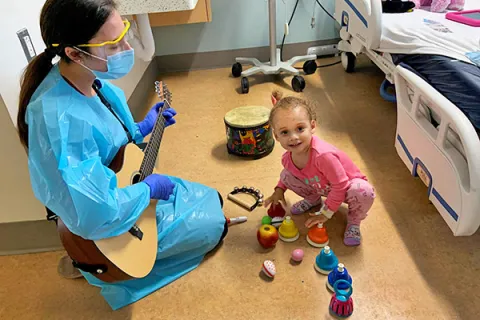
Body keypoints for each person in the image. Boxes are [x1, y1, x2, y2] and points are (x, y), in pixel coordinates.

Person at [17, 0, 227, 310]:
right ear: (75, 53)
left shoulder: (91, 83)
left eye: (124, 34)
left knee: (214, 199)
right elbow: (96, 212)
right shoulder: (60, 119)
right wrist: (146, 190)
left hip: (118, 195)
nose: (127, 49)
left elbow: (110, 147)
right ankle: (97, 267)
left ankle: (90, 262)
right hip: (103, 226)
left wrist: (142, 128)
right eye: (114, 45)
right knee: (214, 226)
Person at [264, 91, 375, 246]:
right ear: (276, 136)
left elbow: (341, 185)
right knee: (286, 175)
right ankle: (313, 199)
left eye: (300, 128)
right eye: (284, 132)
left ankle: (354, 222)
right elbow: (287, 175)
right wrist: (279, 190)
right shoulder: (287, 157)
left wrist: (326, 214)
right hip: (322, 186)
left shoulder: (323, 156)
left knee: (364, 191)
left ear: (312, 126)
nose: (293, 137)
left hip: (347, 189)